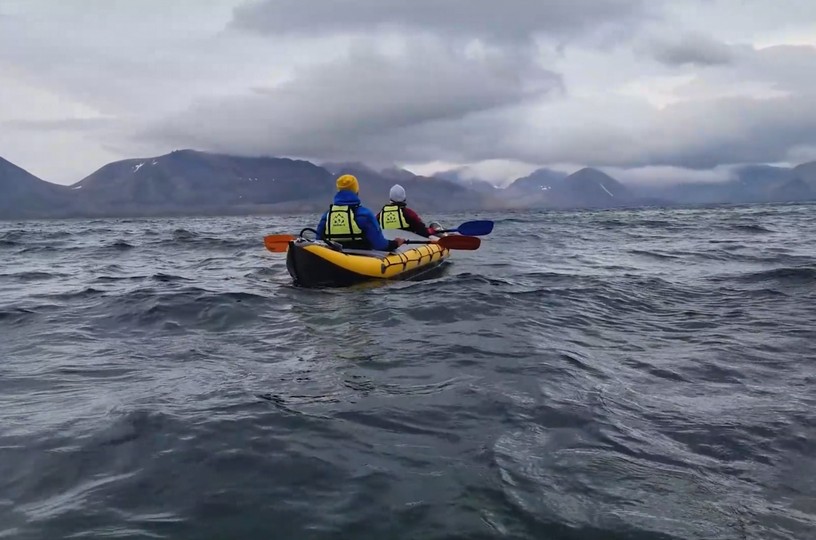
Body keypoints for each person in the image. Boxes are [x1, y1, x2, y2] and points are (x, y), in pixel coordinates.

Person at [316, 174, 406, 251]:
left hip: (334, 259)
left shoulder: (326, 216)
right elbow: (381, 246)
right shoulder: (365, 215)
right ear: (356, 191)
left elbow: (318, 242)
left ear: (338, 190)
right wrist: (395, 243)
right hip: (362, 260)